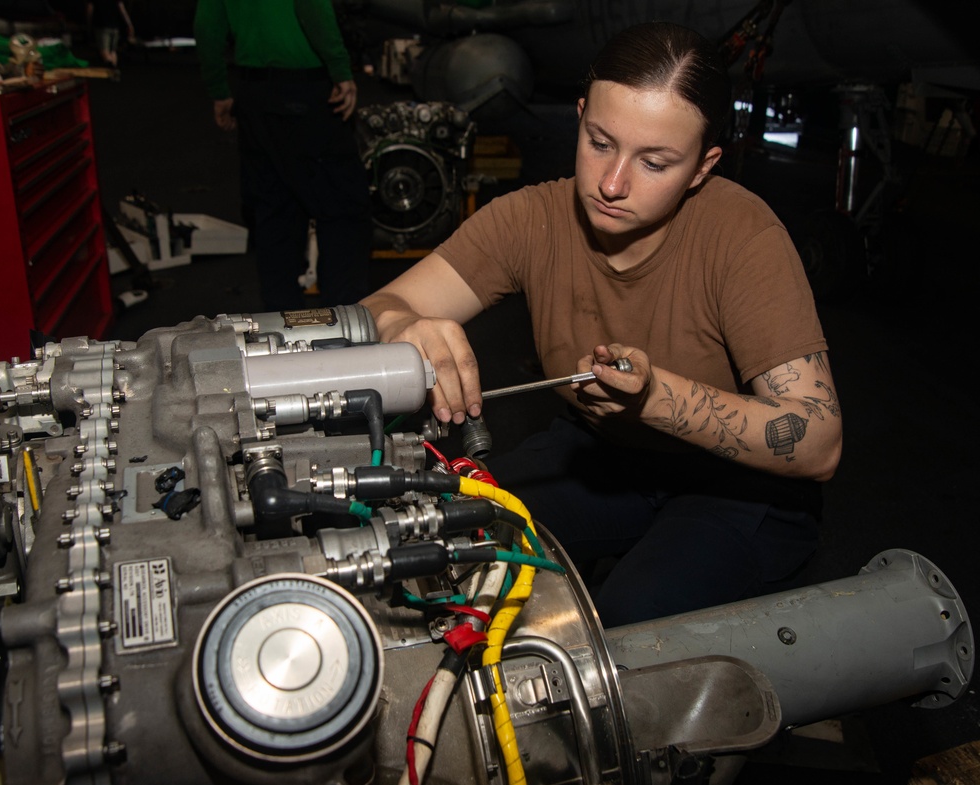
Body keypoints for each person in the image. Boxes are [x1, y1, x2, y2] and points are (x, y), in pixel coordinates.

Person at [361, 21, 843, 627]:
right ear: (581, 115)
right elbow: (377, 308)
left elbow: (819, 440)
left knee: (624, 630)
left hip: (734, 487)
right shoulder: (531, 219)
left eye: (656, 162)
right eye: (600, 142)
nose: (613, 184)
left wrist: (654, 397)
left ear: (703, 166)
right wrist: (407, 329)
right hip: (603, 456)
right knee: (442, 540)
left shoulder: (743, 237)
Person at [194, 0, 372, 311]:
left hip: (254, 97)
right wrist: (340, 69)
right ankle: (343, 337)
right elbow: (311, 7)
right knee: (342, 211)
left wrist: (219, 90)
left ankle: (281, 334)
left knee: (274, 213)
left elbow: (207, 25)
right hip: (306, 94)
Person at [87, 0, 134, 67]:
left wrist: (88, 25)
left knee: (104, 51)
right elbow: (121, 8)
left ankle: (110, 68)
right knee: (113, 51)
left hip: (101, 25)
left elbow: (90, 10)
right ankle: (114, 70)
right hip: (115, 26)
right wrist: (129, 24)